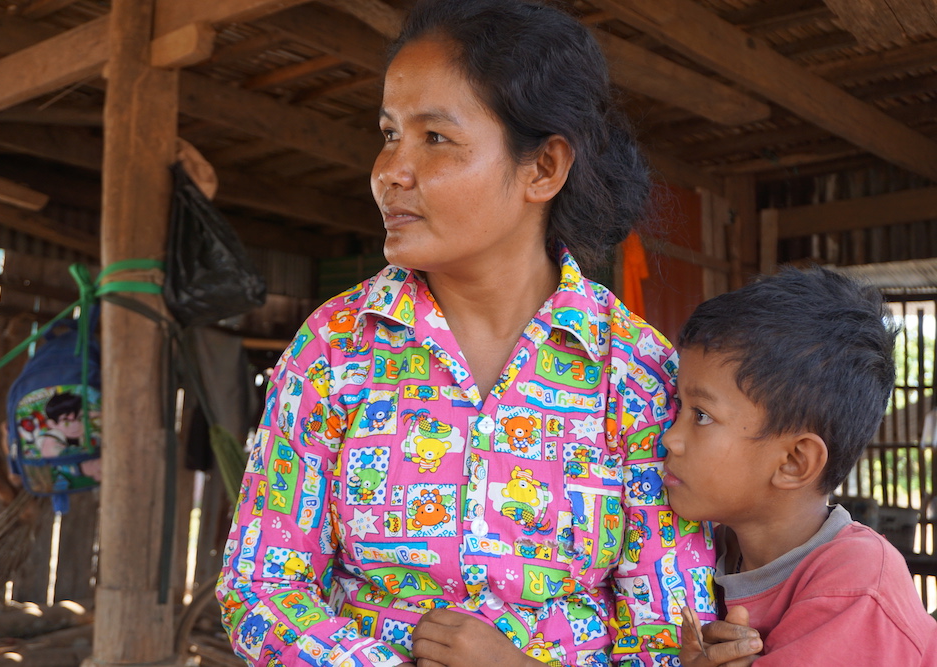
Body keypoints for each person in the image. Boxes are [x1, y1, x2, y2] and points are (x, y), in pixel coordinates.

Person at [217, 1, 716, 665]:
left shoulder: (635, 372)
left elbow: (669, 634)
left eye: (435, 138)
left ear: (543, 168)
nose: (391, 170)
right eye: (390, 134)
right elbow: (262, 586)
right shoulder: (334, 349)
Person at [663, 267, 937, 666]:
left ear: (794, 462)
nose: (670, 436)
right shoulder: (705, 546)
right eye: (678, 408)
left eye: (701, 415)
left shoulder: (856, 587)